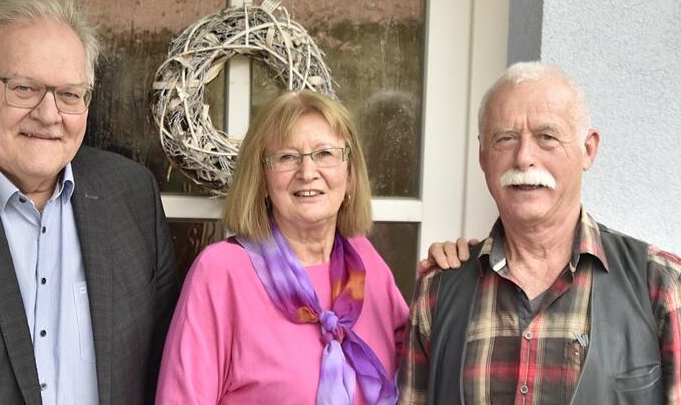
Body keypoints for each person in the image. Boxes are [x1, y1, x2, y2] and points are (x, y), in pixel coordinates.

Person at [0, 0, 178, 404]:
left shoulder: (133, 197)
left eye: (69, 94)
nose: (49, 114)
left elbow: (166, 370)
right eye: (24, 88)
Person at [398, 61, 681, 404]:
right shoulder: (437, 290)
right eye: (505, 138)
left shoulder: (662, 285)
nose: (524, 158)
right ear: (483, 156)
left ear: (588, 149)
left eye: (546, 137)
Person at [155, 90, 409, 404]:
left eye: (325, 154)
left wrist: (451, 275)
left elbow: (421, 367)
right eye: (286, 157)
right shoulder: (222, 272)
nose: (307, 172)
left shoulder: (365, 262)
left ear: (351, 175)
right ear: (261, 179)